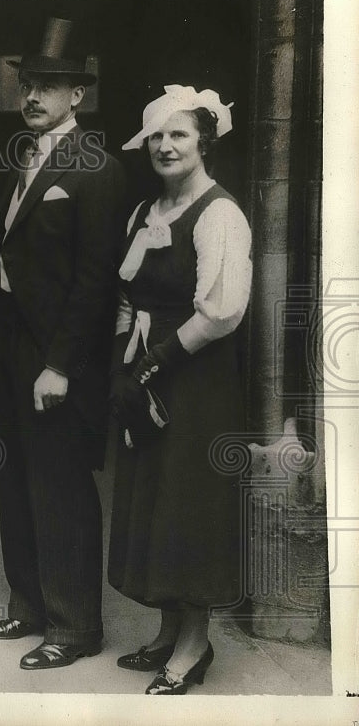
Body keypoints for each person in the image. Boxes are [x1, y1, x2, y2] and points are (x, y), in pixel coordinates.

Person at [0, 18, 126, 669]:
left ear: (77, 98)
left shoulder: (97, 167)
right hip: (8, 345)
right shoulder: (17, 160)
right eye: (28, 84)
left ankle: (74, 625)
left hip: (56, 356)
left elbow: (95, 283)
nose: (33, 96)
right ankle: (27, 605)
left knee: (59, 484)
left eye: (49, 86)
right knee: (14, 478)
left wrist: (60, 364)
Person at [108, 85, 251, 694]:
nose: (166, 147)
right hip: (148, 371)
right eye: (157, 137)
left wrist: (154, 363)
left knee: (190, 504)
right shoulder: (146, 211)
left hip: (196, 378)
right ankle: (169, 631)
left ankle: (194, 645)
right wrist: (125, 363)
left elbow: (221, 311)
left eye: (180, 135)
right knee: (156, 499)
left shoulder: (219, 214)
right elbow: (129, 292)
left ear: (204, 142)